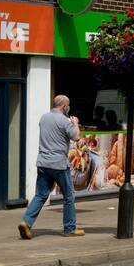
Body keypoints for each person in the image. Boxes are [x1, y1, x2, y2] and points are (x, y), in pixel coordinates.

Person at [18, 95, 84, 239]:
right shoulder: (64, 121)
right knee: (69, 195)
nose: (68, 108)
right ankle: (70, 228)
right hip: (58, 163)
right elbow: (76, 137)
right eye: (68, 106)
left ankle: (26, 222)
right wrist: (75, 123)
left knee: (40, 195)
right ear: (64, 107)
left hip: (42, 162)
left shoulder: (44, 118)